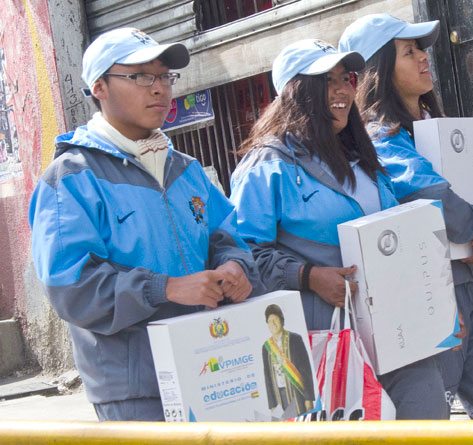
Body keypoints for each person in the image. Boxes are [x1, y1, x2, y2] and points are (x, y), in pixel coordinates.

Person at [29, 28, 258, 421]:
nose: (159, 88)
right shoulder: (71, 178)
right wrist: (164, 287)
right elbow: (73, 290)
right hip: (136, 388)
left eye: (165, 76)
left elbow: (227, 235)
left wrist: (235, 265)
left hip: (213, 365)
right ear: (99, 87)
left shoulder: (185, 169)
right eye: (140, 76)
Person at [230, 39, 448, 419]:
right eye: (327, 81)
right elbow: (244, 253)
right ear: (296, 92)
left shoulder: (362, 155)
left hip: (398, 331)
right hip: (325, 341)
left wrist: (436, 315)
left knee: (429, 422)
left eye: (345, 79)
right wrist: (308, 276)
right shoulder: (266, 165)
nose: (343, 90)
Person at [339, 13, 473, 419]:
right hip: (428, 298)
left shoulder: (444, 130)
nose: (424, 58)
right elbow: (433, 196)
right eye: (409, 52)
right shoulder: (379, 141)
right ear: (380, 69)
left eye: (421, 50)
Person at [262, 304, 315, 418]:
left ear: (282, 320)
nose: (273, 324)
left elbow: (306, 369)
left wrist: (309, 398)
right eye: (270, 321)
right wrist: (272, 405)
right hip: (279, 395)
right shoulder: (266, 347)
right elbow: (267, 377)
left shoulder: (295, 339)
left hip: (297, 393)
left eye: (275, 320)